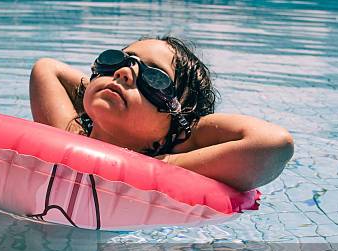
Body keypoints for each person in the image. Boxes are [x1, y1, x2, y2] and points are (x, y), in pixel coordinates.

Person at [29, 36, 294, 192]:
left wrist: (159, 163)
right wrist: (105, 83)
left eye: (155, 77)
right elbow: (46, 69)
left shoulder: (171, 153)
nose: (123, 72)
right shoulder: (69, 135)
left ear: (177, 121)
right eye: (117, 60)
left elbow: (274, 144)